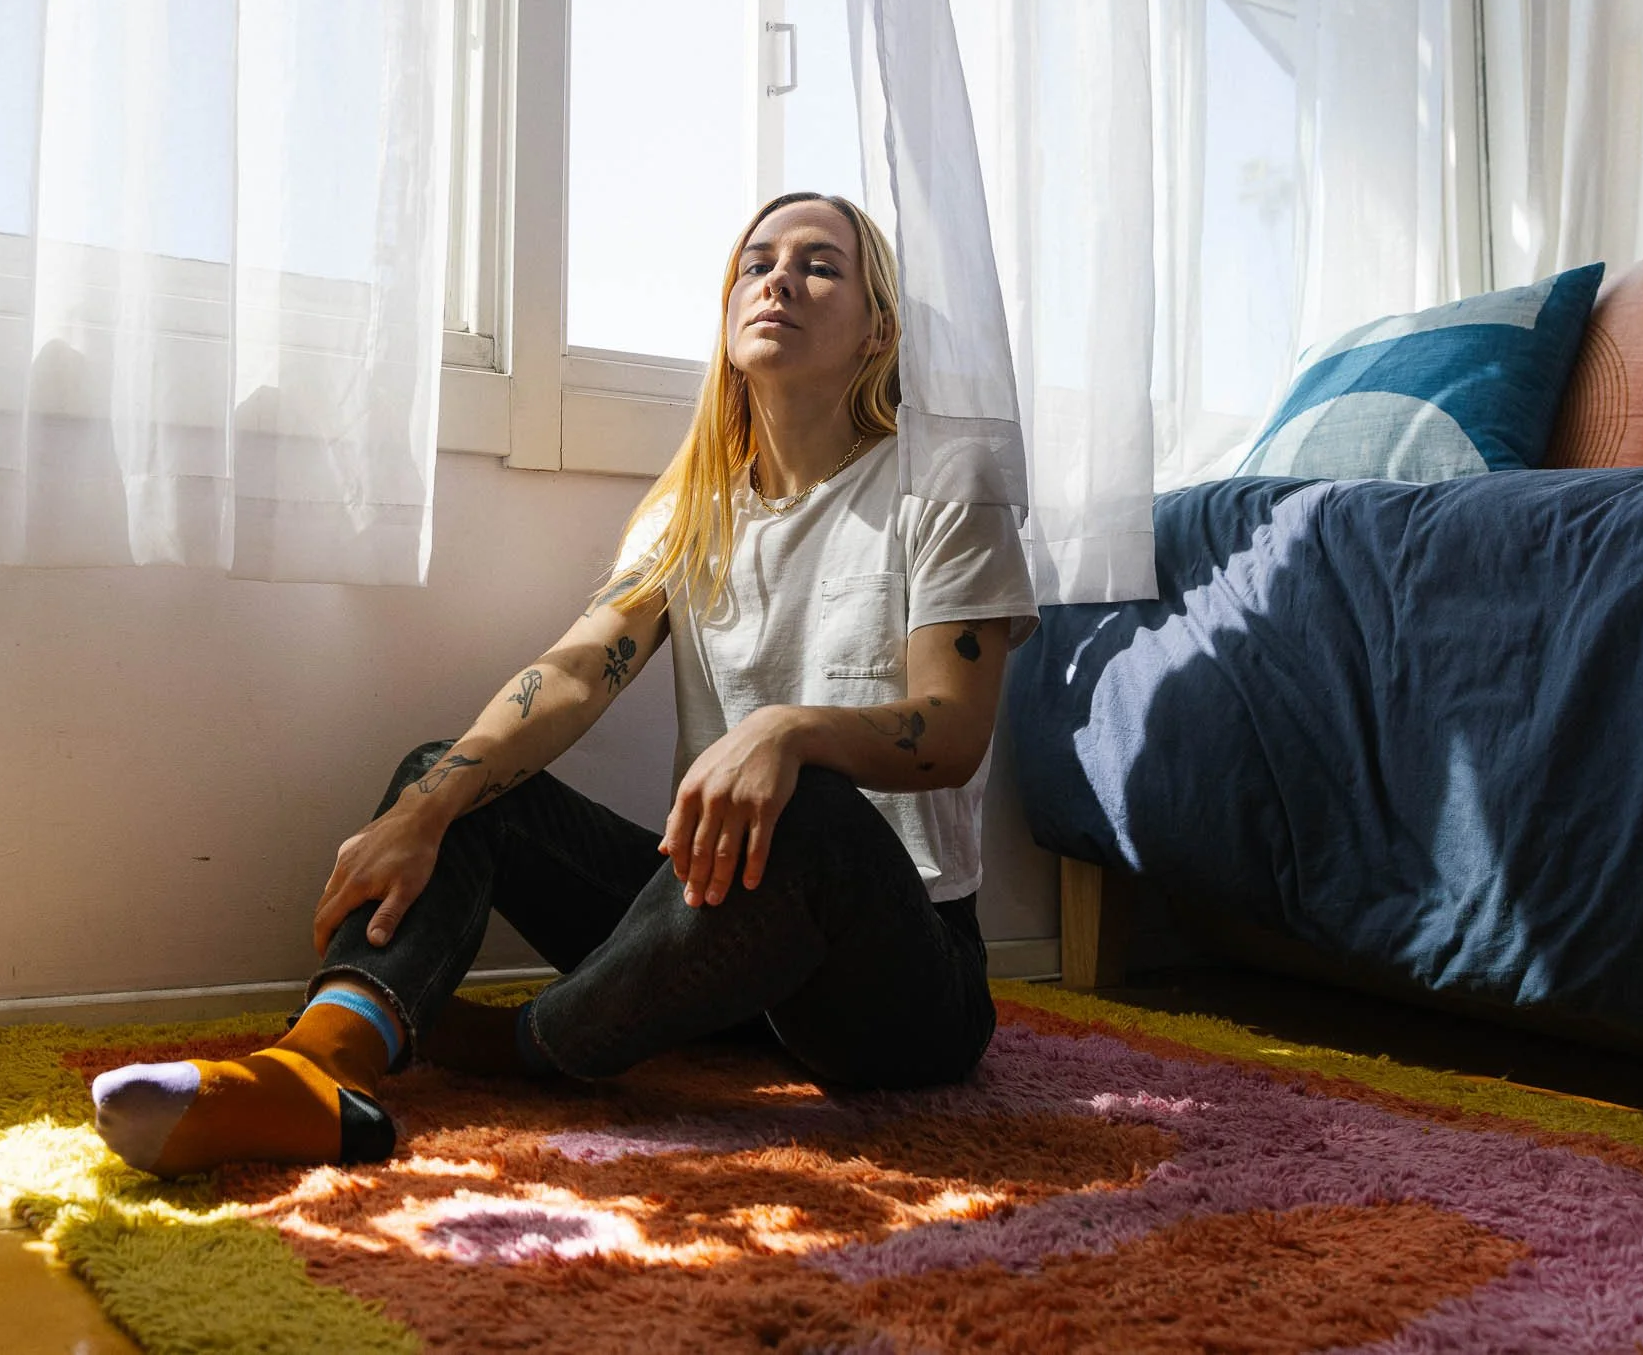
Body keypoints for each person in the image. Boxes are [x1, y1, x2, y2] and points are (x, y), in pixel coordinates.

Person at [90, 192, 1039, 1176]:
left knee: (807, 805)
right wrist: (426, 805)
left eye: (820, 265)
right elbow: (580, 671)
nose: (779, 281)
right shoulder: (693, 511)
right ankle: (317, 1066)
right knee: (456, 777)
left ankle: (527, 1044)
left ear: (877, 330)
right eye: (757, 263)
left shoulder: (943, 480)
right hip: (723, 939)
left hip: (897, 976)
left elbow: (952, 730)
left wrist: (787, 731)